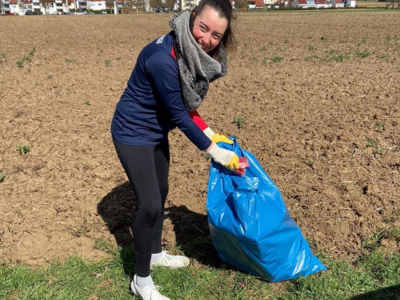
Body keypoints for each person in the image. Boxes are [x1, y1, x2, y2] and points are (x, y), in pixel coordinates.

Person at [111, 0, 237, 299]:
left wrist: (210, 134)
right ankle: (141, 282)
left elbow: (185, 107)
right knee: (151, 206)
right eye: (203, 28)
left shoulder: (188, 55)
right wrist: (218, 153)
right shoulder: (162, 59)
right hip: (132, 133)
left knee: (162, 190)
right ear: (191, 17)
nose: (206, 40)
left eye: (216, 36)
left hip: (155, 132)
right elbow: (180, 115)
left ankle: (154, 254)